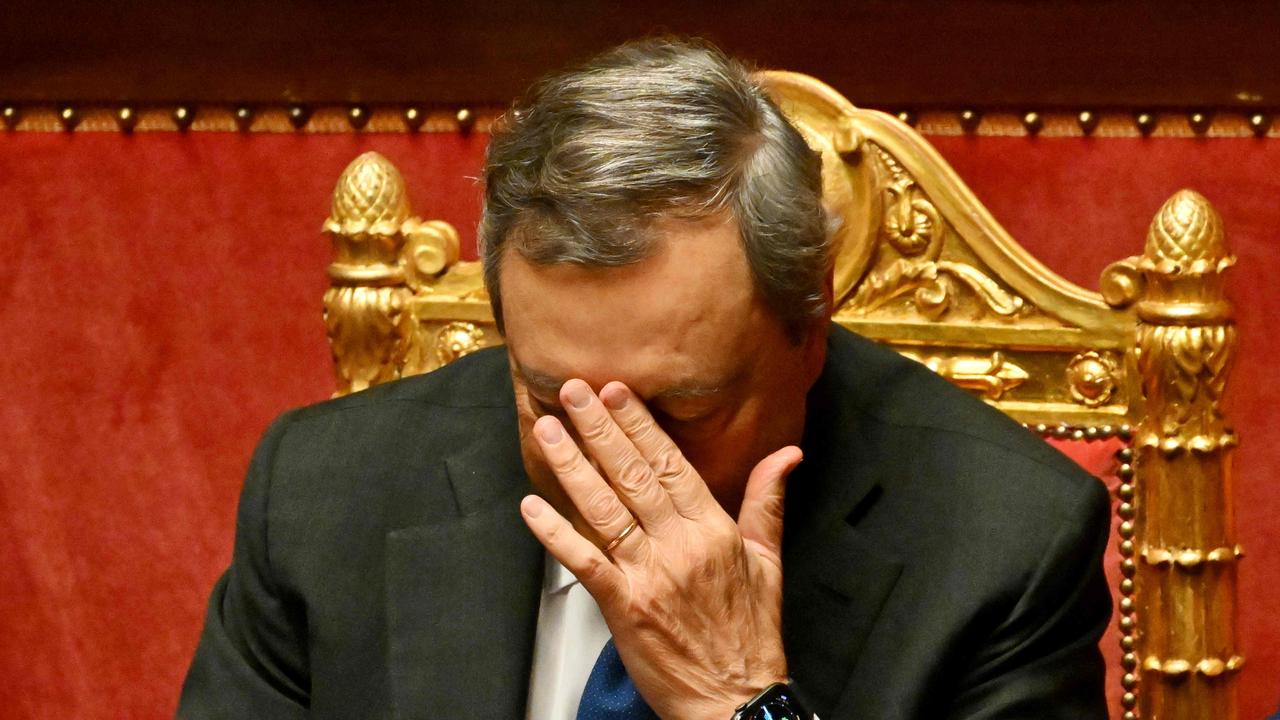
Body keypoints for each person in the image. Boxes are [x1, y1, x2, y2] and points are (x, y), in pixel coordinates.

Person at [179, 37, 1111, 720]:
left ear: (811, 322)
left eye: (686, 409)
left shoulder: (1002, 545)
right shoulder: (321, 492)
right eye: (553, 403)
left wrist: (741, 702)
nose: (617, 461)